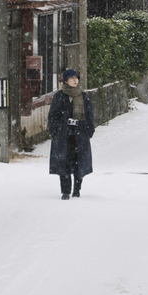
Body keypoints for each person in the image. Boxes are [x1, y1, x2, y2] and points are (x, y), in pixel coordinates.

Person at [48, 68, 94, 199]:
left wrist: (88, 131)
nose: (75, 80)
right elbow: (53, 115)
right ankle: (65, 191)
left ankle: (77, 190)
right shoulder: (59, 96)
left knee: (79, 163)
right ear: (66, 81)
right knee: (64, 163)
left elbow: (90, 115)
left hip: (80, 135)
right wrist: (56, 130)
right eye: (72, 78)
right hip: (63, 135)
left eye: (76, 78)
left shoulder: (84, 96)